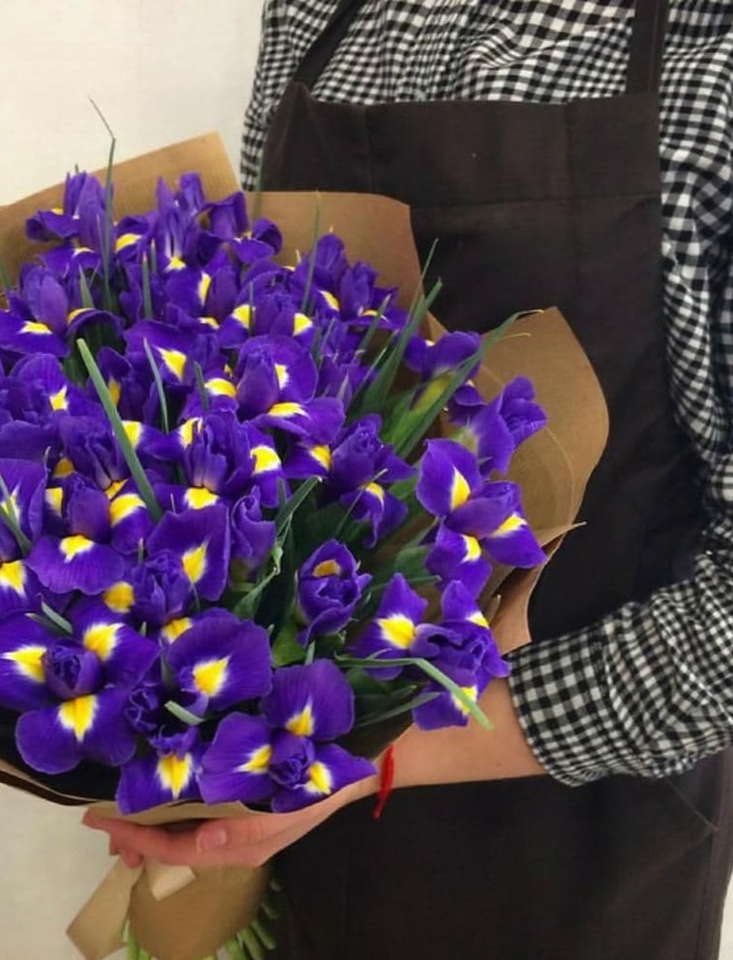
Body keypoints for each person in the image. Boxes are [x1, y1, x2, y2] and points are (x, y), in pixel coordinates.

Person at [83, 3, 733, 957]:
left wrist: (360, 761)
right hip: (286, 811)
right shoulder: (316, 13)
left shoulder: (707, 53)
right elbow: (261, 334)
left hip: (576, 845)